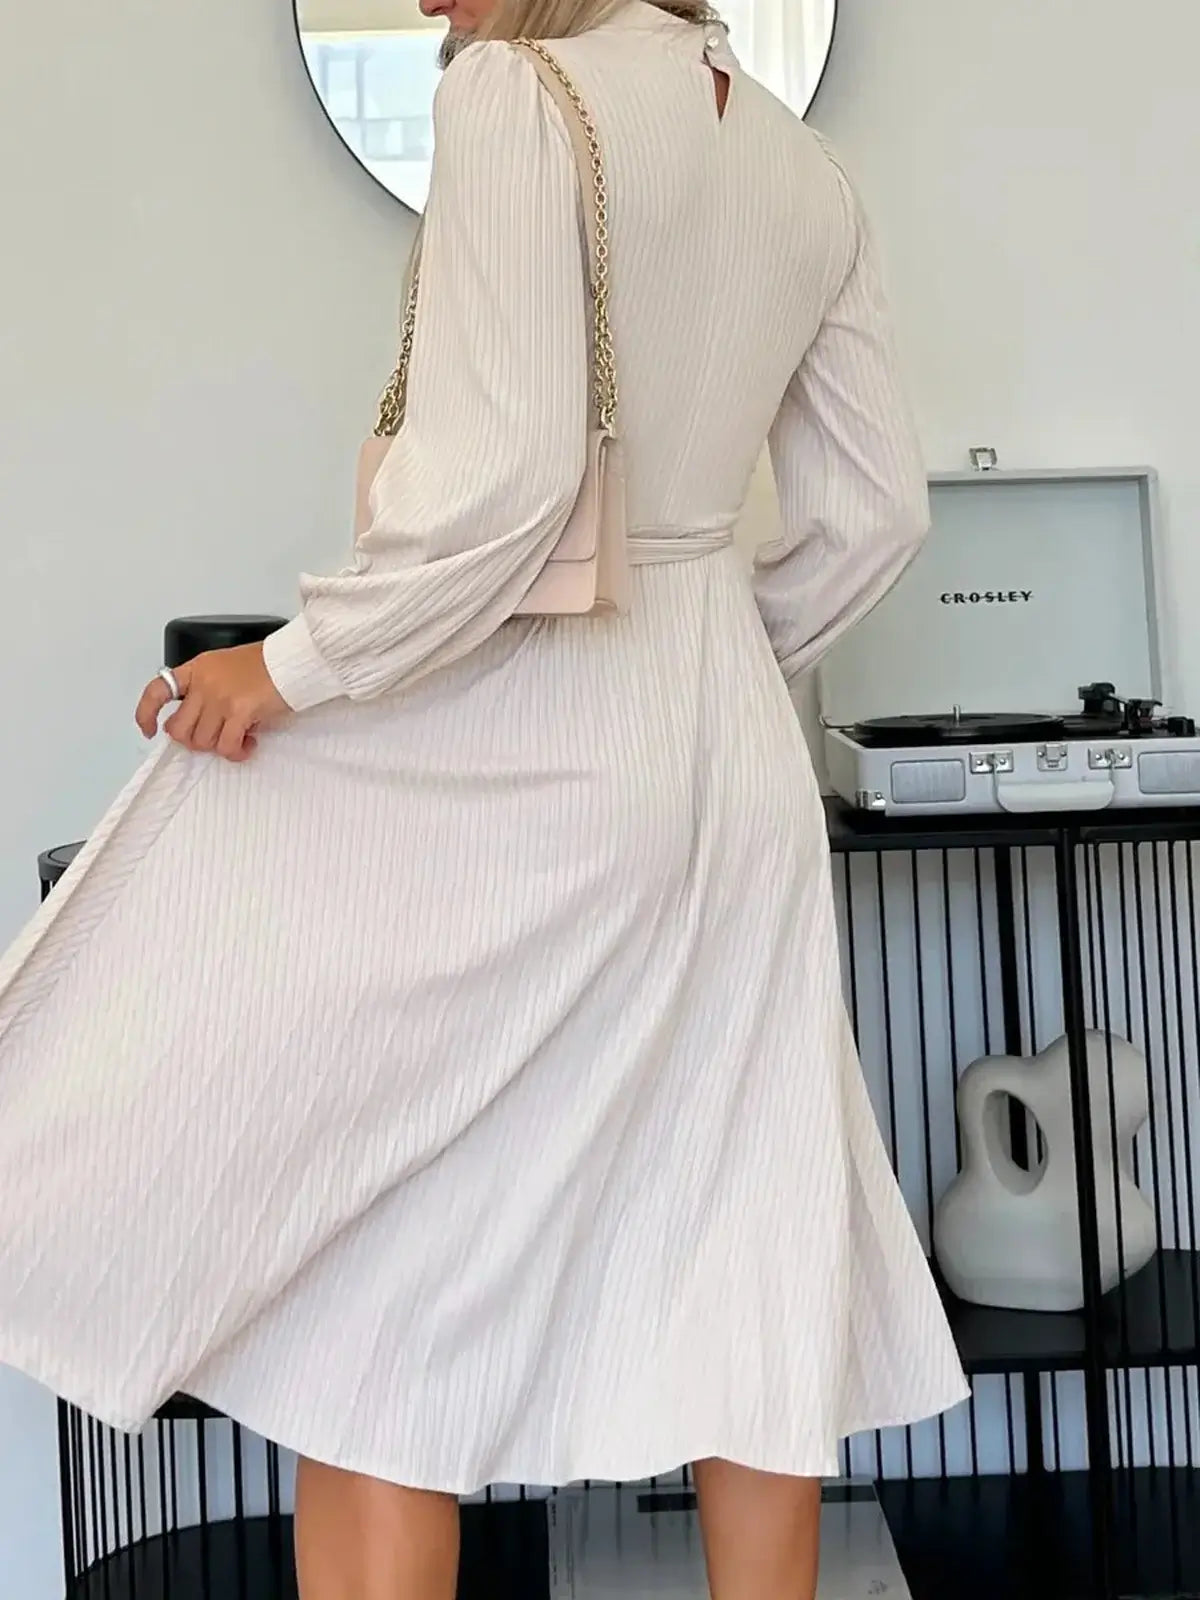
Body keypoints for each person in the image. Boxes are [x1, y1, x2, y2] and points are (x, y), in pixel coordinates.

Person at [0, 0, 968, 1595]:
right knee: (750, 1232)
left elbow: (511, 482)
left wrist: (295, 666)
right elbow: (878, 514)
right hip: (735, 759)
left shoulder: (517, 102)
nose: (431, 1)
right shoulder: (805, 171)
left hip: (537, 748)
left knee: (375, 1281)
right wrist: (707, 651)